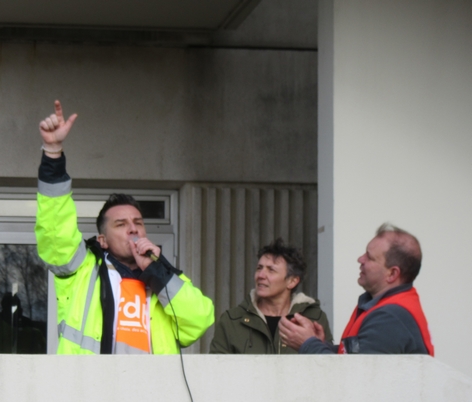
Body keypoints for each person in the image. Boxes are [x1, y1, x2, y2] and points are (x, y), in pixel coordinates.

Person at [35, 100, 214, 354]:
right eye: (121, 224)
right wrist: (53, 153)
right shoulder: (81, 269)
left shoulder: (164, 275)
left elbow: (199, 321)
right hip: (91, 391)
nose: (133, 228)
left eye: (138, 222)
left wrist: (157, 272)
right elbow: (55, 227)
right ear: (103, 240)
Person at [278, 223, 434, 355]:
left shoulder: (389, 318)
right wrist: (321, 345)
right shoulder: (384, 306)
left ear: (392, 274)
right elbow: (354, 359)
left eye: (370, 257)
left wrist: (308, 343)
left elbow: (355, 379)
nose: (360, 259)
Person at [209, 238, 332, 354]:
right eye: (259, 268)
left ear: (292, 281)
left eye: (271, 270)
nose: (261, 275)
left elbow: (329, 367)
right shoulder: (232, 321)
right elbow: (216, 371)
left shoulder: (314, 319)